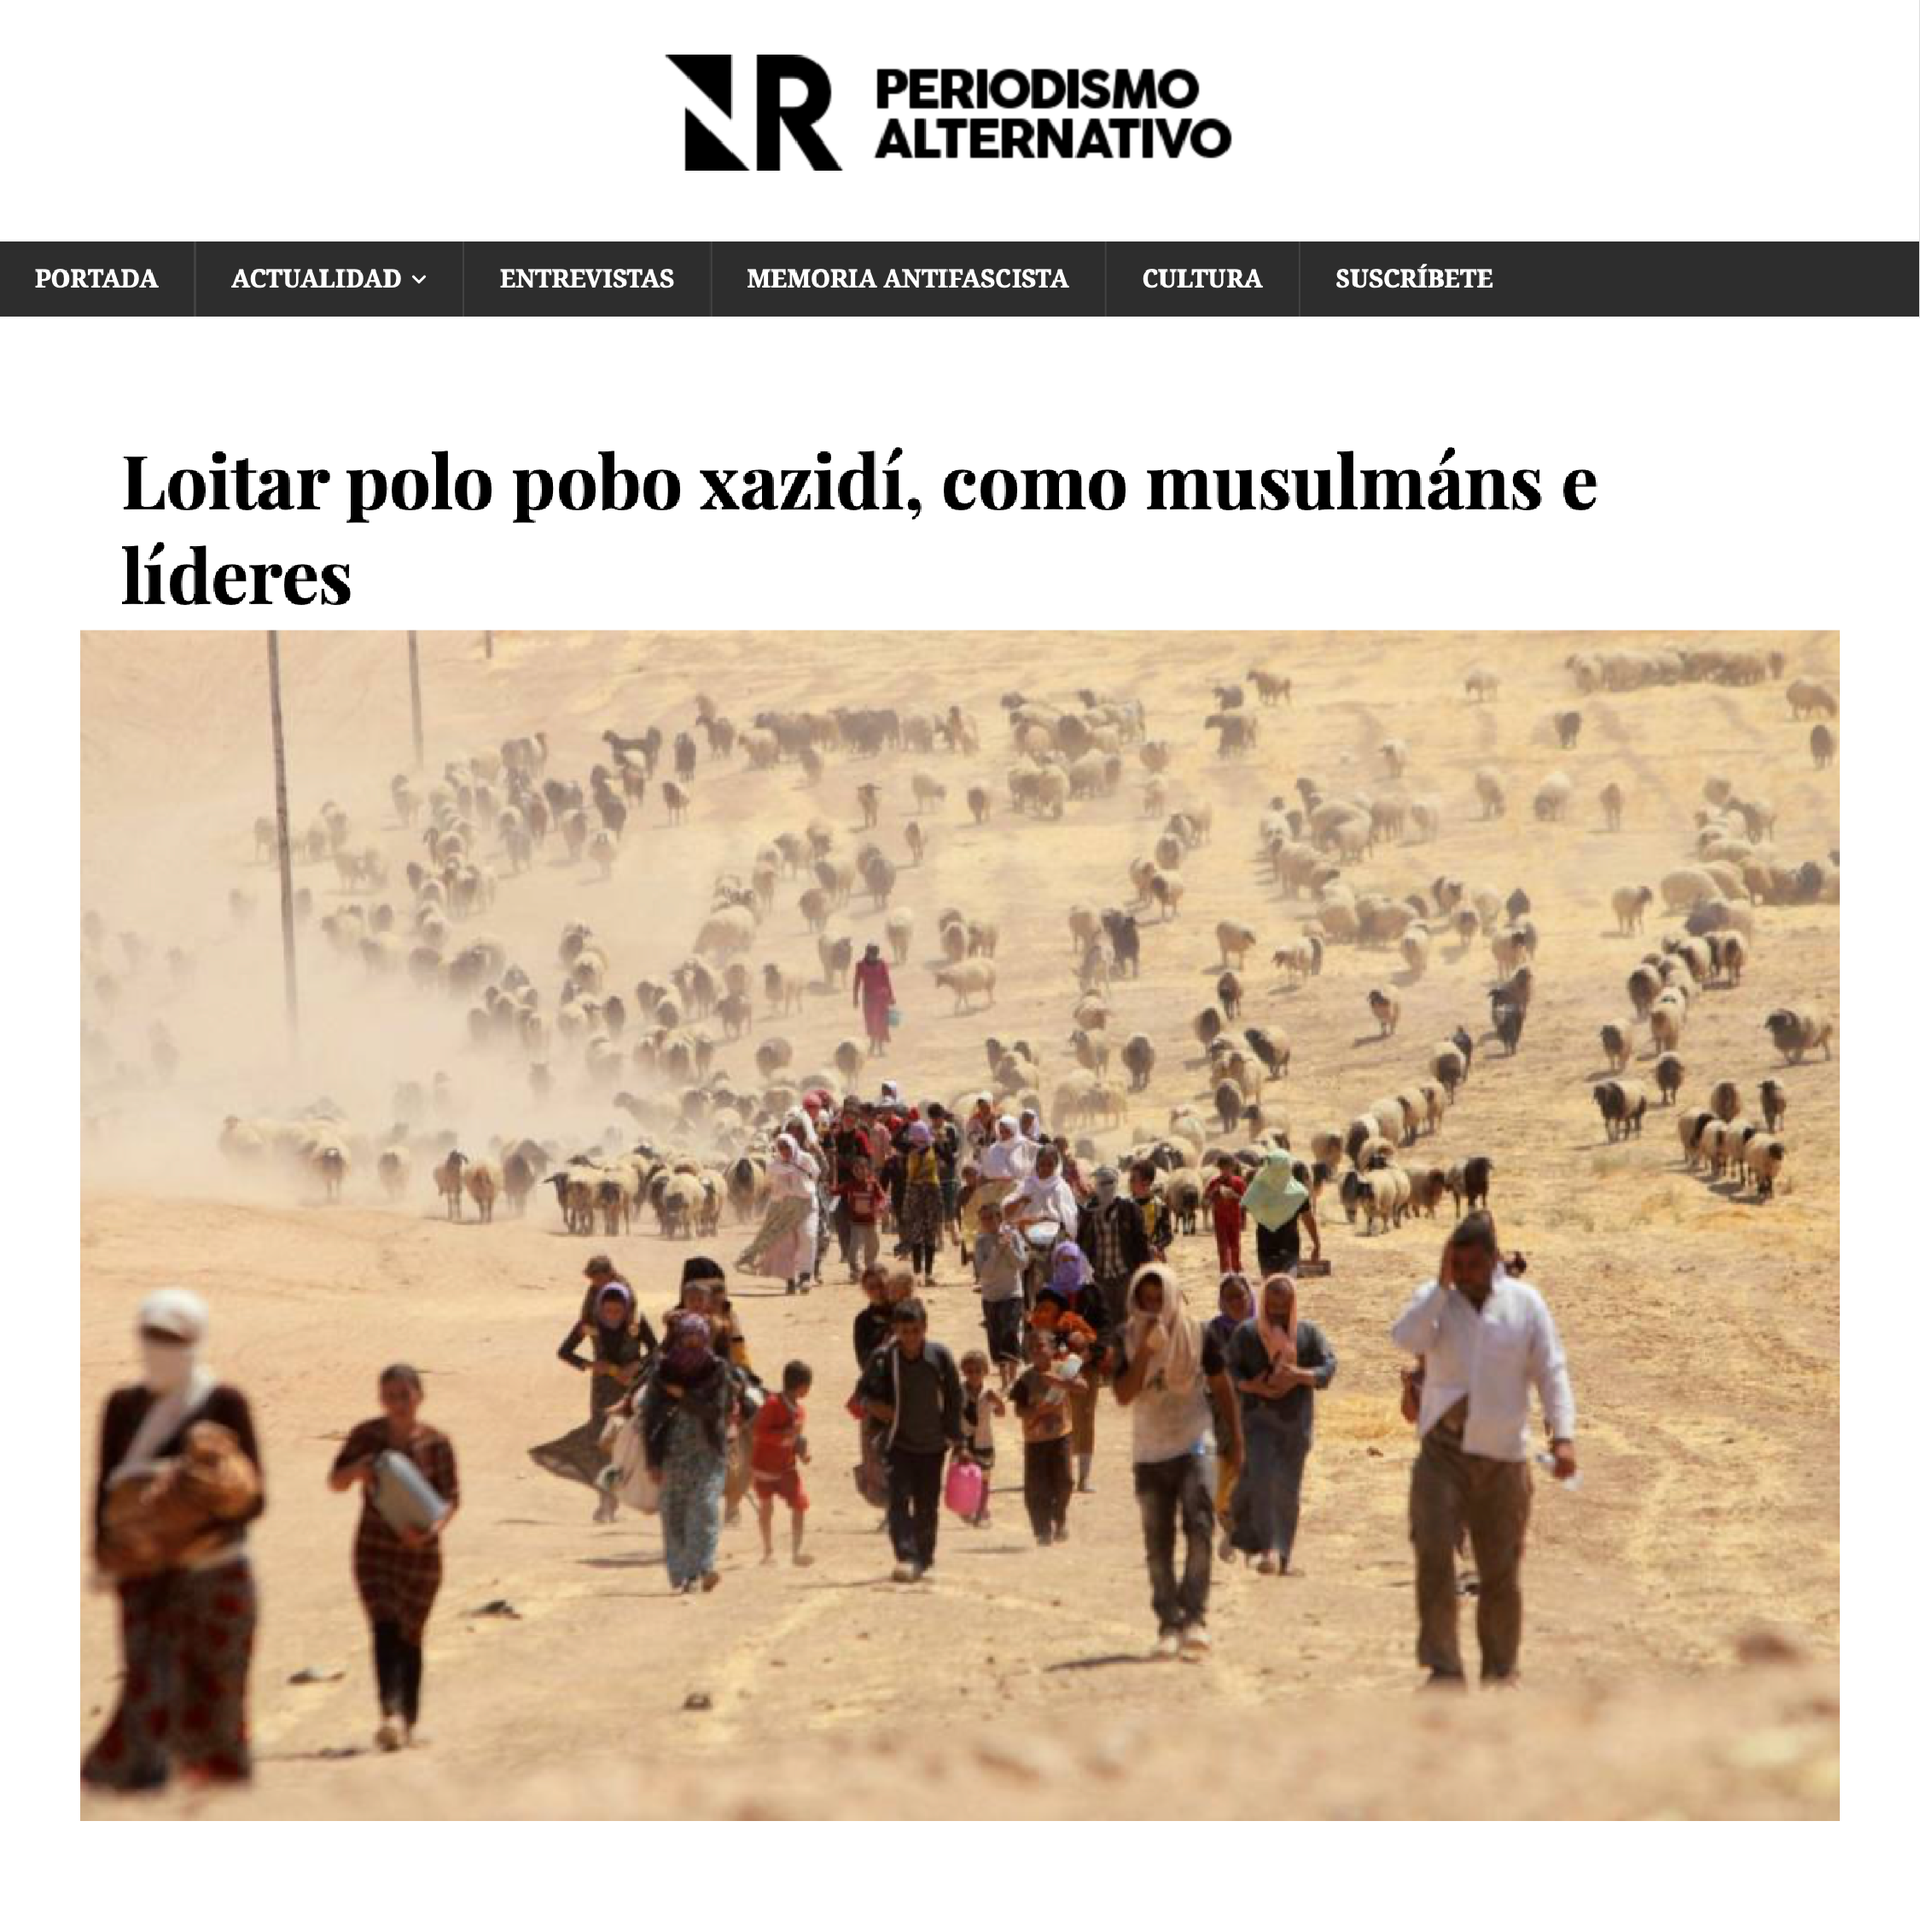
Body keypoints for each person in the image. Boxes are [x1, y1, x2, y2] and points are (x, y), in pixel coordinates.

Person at [84, 1290, 265, 1791]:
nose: (161, 1348)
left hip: (215, 1570)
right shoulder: (123, 1407)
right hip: (143, 1574)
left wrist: (197, 1511)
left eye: (174, 1338)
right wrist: (103, 1551)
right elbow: (106, 1486)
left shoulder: (225, 1404)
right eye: (153, 1336)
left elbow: (255, 1499)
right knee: (147, 1687)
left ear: (196, 1340)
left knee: (218, 1697)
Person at [1390, 1212, 1577, 1686]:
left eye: (1476, 1263)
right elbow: (1405, 1337)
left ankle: (1500, 1669)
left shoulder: (1524, 1305)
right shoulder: (1436, 1304)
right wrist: (1438, 1286)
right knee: (1433, 1555)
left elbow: (1550, 1371)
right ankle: (1443, 1667)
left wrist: (1563, 1436)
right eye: (1459, 1264)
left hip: (1504, 1455)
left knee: (1500, 1568)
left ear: (1494, 1260)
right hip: (1441, 1453)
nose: (1468, 1273)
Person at [1110, 1265, 1242, 1660]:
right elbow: (1122, 1394)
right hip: (1150, 1450)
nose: (1153, 1307)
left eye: (1159, 1299)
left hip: (1194, 1442)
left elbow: (1221, 1386)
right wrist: (1146, 1352)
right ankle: (1168, 1622)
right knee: (1158, 1541)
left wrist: (1235, 1438)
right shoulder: (1128, 1338)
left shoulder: (1199, 1335)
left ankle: (1194, 1618)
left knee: (1200, 1527)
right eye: (1145, 1300)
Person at [328, 1364, 461, 1749]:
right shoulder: (366, 1437)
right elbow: (335, 1481)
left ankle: (410, 1721)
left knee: (411, 1633)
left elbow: (451, 1499)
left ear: (419, 1396)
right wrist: (359, 1470)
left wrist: (429, 1533)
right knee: (383, 1624)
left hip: (422, 1554)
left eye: (405, 1395)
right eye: (391, 1396)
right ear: (381, 1399)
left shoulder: (437, 1443)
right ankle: (391, 1715)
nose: (398, 1403)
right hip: (374, 1549)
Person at [1227, 1275, 1335, 1575]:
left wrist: (1298, 1375)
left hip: (1295, 1423)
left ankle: (1284, 1552)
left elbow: (1328, 1366)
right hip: (1258, 1421)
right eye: (1272, 1306)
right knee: (1262, 1481)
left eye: (1283, 1307)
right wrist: (1251, 1386)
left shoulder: (1308, 1335)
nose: (1277, 1313)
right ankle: (1267, 1549)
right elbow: (1229, 1368)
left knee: (1288, 1491)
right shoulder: (1247, 1335)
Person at [858, 1298, 963, 1582]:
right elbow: (862, 1393)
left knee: (927, 1504)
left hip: (933, 1445)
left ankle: (924, 1556)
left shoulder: (939, 1358)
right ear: (895, 1331)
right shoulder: (883, 1358)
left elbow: (955, 1397)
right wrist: (875, 1406)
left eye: (915, 1331)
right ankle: (905, 1556)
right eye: (904, 1332)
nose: (910, 1338)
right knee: (898, 1501)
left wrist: (956, 1438)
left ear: (925, 1329)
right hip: (898, 1443)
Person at [640, 1314, 737, 1593]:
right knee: (675, 1514)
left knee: (705, 1508)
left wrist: (683, 1396)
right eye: (687, 1337)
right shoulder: (662, 1370)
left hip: (707, 1450)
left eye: (698, 1337)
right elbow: (650, 1416)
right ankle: (680, 1574)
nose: (692, 1343)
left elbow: (715, 1412)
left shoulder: (717, 1371)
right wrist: (653, 1460)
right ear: (679, 1337)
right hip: (672, 1452)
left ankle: (702, 1569)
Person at [556, 1272, 657, 1521]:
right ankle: (607, 1502)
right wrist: (590, 1365)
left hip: (633, 1389)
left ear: (626, 1307)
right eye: (607, 1310)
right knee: (605, 1445)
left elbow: (657, 1352)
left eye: (617, 1311)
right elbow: (564, 1352)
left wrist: (638, 1366)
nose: (612, 1316)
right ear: (600, 1306)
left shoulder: (637, 1322)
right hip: (603, 1392)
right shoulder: (589, 1324)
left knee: (634, 1443)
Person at [1038, 1239, 1106, 1493]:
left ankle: (1085, 1476)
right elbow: (1041, 1328)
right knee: (1057, 1415)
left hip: (1088, 1364)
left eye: (1072, 1260)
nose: (1068, 1265)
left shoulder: (1092, 1292)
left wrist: (1090, 1351)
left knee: (1085, 1416)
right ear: (1055, 1262)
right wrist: (1063, 1348)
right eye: (1062, 1260)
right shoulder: (1047, 1294)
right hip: (1057, 1365)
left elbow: (1106, 1327)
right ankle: (1060, 1472)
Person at [1010, 1328, 1086, 1545]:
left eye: (1041, 1345)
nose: (1036, 1350)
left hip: (1061, 1436)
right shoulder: (1026, 1379)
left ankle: (1059, 1517)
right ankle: (1042, 1530)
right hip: (1034, 1441)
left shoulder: (1063, 1370)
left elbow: (1083, 1387)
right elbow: (1019, 1410)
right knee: (1036, 1487)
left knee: (1065, 1481)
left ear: (1052, 1348)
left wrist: (1060, 1383)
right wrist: (1036, 1413)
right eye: (1031, 1347)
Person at [1208, 1273, 1256, 1553]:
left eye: (1241, 1295)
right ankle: (1229, 1523)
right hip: (1221, 1413)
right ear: (1222, 1303)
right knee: (1222, 1473)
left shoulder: (1264, 1329)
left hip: (1257, 1411)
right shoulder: (1213, 1331)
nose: (1237, 1302)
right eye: (1231, 1298)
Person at [752, 1361, 814, 1567]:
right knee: (766, 1507)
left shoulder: (800, 1412)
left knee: (799, 1504)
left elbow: (797, 1440)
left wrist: (803, 1453)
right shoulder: (772, 1405)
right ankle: (768, 1551)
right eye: (808, 1385)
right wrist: (781, 1435)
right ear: (801, 1386)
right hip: (764, 1467)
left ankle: (797, 1551)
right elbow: (759, 1433)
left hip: (787, 1467)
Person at [973, 1199, 1028, 1387]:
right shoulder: (980, 1242)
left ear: (999, 1217)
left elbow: (1022, 1264)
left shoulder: (1014, 1236)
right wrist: (998, 1250)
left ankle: (1013, 1379)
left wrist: (1009, 1247)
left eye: (990, 1217)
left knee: (1010, 1332)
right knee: (995, 1336)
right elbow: (983, 1273)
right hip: (990, 1296)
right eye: (983, 1219)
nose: (987, 1222)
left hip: (1012, 1293)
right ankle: (1004, 1380)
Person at [1078, 1163, 1152, 1301]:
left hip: (1125, 1274)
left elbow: (1141, 1240)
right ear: (1096, 1185)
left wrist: (1146, 1271)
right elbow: (1082, 1242)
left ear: (1116, 1184)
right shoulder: (1089, 1212)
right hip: (1099, 1277)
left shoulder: (1129, 1209)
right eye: (1102, 1183)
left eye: (1110, 1182)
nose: (1106, 1187)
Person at [1241, 1149, 1322, 1275]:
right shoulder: (1298, 1193)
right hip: (1289, 1247)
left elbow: (1244, 1206)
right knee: (1286, 1287)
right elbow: (1308, 1219)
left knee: (1271, 1288)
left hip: (1266, 1247)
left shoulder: (1257, 1189)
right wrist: (1316, 1244)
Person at [760, 1133, 821, 1294]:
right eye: (781, 1147)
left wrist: (804, 1188)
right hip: (783, 1207)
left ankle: (805, 1276)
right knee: (786, 1244)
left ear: (793, 1145)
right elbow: (768, 1182)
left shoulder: (805, 1159)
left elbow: (816, 1174)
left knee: (808, 1236)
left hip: (806, 1204)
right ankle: (790, 1280)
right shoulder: (774, 1165)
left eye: (787, 1146)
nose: (785, 1150)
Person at [956, 1349, 1005, 1527]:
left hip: (984, 1441)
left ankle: (981, 1510)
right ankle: (968, 1509)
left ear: (985, 1371)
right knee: (965, 1477)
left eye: (978, 1371)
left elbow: (1001, 1414)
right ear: (964, 1371)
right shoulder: (958, 1392)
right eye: (969, 1371)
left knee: (984, 1478)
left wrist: (998, 1402)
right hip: (963, 1442)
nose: (974, 1375)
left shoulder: (989, 1392)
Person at [899, 1120, 945, 1280]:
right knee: (917, 1235)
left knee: (930, 1235)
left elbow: (949, 1158)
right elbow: (895, 1141)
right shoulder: (909, 1148)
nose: (917, 1142)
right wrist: (905, 1126)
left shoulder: (934, 1147)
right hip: (915, 1194)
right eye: (915, 1138)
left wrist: (941, 1143)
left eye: (920, 1138)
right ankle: (918, 1272)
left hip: (931, 1193)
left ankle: (929, 1273)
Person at [836, 1148, 889, 1278]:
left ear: (868, 1170)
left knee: (873, 1245)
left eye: (862, 1169)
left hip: (871, 1221)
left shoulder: (872, 1184)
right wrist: (827, 1188)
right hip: (856, 1222)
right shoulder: (850, 1184)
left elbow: (882, 1197)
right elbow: (836, 1191)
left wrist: (882, 1206)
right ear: (853, 1171)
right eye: (856, 1169)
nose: (859, 1172)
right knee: (854, 1247)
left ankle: (870, 1268)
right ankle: (855, 1270)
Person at [1204, 1160, 1248, 1274]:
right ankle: (1225, 1272)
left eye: (1228, 1168)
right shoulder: (1215, 1182)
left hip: (1234, 1219)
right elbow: (1205, 1199)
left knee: (1235, 1246)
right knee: (1223, 1247)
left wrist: (1234, 1195)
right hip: (1220, 1220)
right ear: (1220, 1169)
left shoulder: (1238, 1182)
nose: (1225, 1171)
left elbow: (1246, 1201)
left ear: (1232, 1168)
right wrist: (1214, 1192)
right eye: (1223, 1169)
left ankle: (1236, 1269)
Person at [852, 942, 896, 1055]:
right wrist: (855, 998)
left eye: (875, 954)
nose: (873, 957)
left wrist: (891, 996)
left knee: (882, 1023)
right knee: (870, 1022)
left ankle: (881, 1048)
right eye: (871, 954)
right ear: (867, 953)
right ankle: (872, 1045)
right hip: (869, 998)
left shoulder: (882, 964)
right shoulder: (860, 965)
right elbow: (857, 982)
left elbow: (887, 980)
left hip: (882, 997)